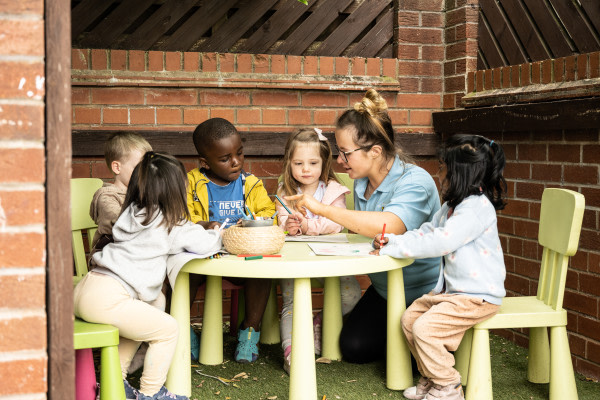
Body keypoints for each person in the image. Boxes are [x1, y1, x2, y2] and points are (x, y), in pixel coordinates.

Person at [285, 89, 441, 364]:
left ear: (375, 152)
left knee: (411, 354)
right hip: (384, 290)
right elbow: (364, 232)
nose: (339, 161)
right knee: (353, 347)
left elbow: (389, 226)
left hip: (423, 291)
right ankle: (405, 340)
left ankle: (419, 339)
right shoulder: (360, 182)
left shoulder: (416, 182)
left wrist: (321, 208)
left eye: (345, 153)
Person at [74, 152, 222, 400]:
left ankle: (113, 385)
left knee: (149, 313)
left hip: (87, 290)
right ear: (174, 192)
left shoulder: (131, 212)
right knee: (168, 329)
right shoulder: (172, 223)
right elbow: (203, 245)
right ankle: (151, 394)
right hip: (108, 297)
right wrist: (217, 234)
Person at [372, 134, 507, 400]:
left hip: (477, 297)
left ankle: (448, 386)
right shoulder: (450, 207)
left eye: (443, 168)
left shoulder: (476, 209)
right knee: (410, 320)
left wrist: (396, 248)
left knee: (425, 329)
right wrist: (394, 240)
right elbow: (426, 232)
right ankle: (433, 379)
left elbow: (441, 241)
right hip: (453, 294)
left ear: (461, 173)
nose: (439, 172)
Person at [186, 117, 275, 363]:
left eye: (240, 153)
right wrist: (205, 225)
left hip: (240, 257)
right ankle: (184, 330)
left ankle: (250, 331)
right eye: (225, 159)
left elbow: (268, 214)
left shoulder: (250, 184)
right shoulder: (191, 183)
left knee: (262, 269)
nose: (236, 162)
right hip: (204, 257)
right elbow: (181, 219)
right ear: (205, 162)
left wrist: (253, 221)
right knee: (183, 268)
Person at [276, 128, 361, 373]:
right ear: (289, 163)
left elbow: (336, 222)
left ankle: (319, 323)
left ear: (323, 162)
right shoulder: (286, 192)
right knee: (291, 302)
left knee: (352, 294)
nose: (305, 169)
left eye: (312, 163)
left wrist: (308, 225)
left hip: (330, 258)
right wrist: (290, 225)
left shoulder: (333, 190)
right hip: (295, 260)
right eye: (298, 163)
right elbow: (283, 220)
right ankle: (292, 351)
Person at [89, 131, 152, 255]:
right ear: (117, 167)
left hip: (132, 254)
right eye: (139, 168)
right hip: (106, 259)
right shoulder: (107, 196)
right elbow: (120, 224)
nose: (146, 173)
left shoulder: (142, 194)